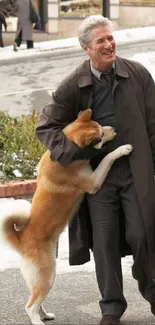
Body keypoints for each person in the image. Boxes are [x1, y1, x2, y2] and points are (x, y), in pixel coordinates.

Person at [35, 15, 155, 325]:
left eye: (110, 38)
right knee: (104, 242)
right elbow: (47, 126)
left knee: (143, 235)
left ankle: (152, 292)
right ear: (86, 48)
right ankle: (111, 308)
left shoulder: (138, 74)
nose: (109, 44)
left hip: (136, 170)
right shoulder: (75, 83)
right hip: (98, 177)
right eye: (101, 40)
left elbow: (154, 125)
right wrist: (74, 152)